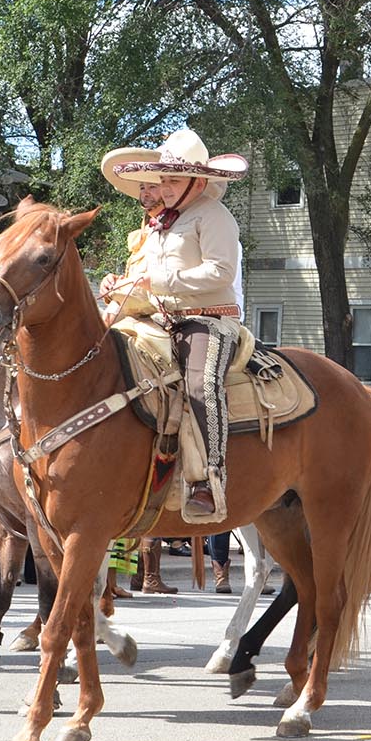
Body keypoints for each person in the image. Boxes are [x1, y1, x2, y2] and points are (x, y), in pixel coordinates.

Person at [98, 128, 249, 521]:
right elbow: (151, 281)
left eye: (173, 180)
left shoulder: (215, 216)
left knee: (200, 384)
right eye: (162, 180)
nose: (164, 189)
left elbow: (220, 272)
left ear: (198, 181)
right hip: (161, 320)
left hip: (208, 321)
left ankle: (208, 479)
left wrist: (158, 283)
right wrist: (120, 289)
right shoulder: (166, 223)